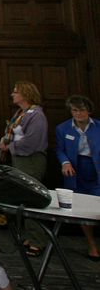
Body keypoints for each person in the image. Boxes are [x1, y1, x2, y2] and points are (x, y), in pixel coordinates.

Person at [0, 80, 48, 256]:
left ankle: (38, 240)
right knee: (23, 201)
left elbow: (31, 142)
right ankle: (29, 236)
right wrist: (5, 140)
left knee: (31, 199)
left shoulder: (36, 116)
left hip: (31, 161)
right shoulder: (21, 113)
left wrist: (9, 146)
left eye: (15, 91)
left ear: (26, 94)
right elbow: (11, 132)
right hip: (19, 160)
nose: (12, 94)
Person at [55, 95, 100, 260]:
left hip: (95, 170)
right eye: (75, 110)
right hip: (75, 171)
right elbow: (59, 149)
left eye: (82, 110)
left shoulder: (98, 127)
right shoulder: (63, 128)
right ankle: (92, 245)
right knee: (82, 208)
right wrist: (65, 162)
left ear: (88, 110)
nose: (78, 114)